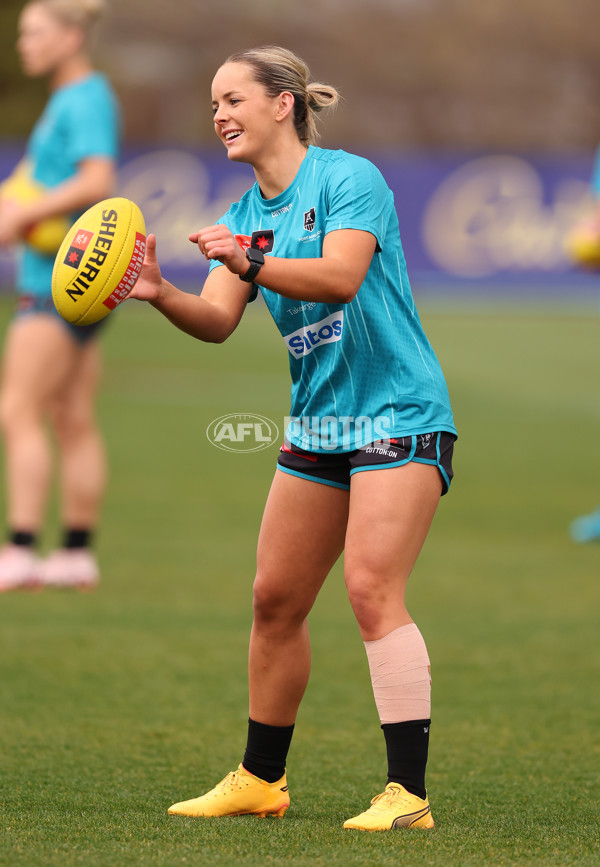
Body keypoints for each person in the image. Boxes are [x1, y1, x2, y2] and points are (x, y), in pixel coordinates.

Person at [131, 46, 457, 831]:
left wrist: (250, 259)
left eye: (234, 99)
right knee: (274, 600)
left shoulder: (349, 179)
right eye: (213, 103)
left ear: (284, 103)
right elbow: (215, 320)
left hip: (400, 413)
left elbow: (340, 276)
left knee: (372, 588)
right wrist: (159, 290)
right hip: (320, 424)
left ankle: (407, 794)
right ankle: (260, 778)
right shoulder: (245, 214)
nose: (219, 115)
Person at [0, 0, 119, 591]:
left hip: (56, 278)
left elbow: (97, 180)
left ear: (71, 38)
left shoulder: (85, 98)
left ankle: (19, 550)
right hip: (75, 285)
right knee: (70, 416)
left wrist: (25, 214)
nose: (24, 44)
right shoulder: (68, 99)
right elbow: (34, 180)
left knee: (17, 410)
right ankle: (75, 553)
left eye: (34, 33)